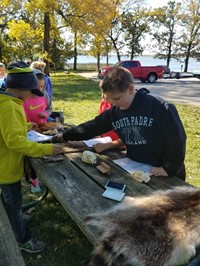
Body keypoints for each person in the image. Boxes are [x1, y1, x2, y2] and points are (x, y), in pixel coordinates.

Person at [55, 66, 187, 180]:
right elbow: (92, 127)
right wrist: (66, 136)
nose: (113, 103)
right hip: (137, 166)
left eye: (117, 98)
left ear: (130, 89)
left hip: (164, 171)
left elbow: (177, 139)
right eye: (109, 100)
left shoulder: (159, 107)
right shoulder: (115, 113)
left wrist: (169, 168)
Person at [0, 61, 64, 253]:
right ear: (21, 88)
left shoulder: (10, 102)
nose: (32, 98)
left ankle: (14, 216)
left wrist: (27, 126)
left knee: (11, 201)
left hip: (5, 164)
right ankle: (22, 238)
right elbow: (15, 142)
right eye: (31, 92)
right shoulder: (10, 107)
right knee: (13, 200)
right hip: (6, 167)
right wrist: (46, 150)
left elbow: (9, 131)